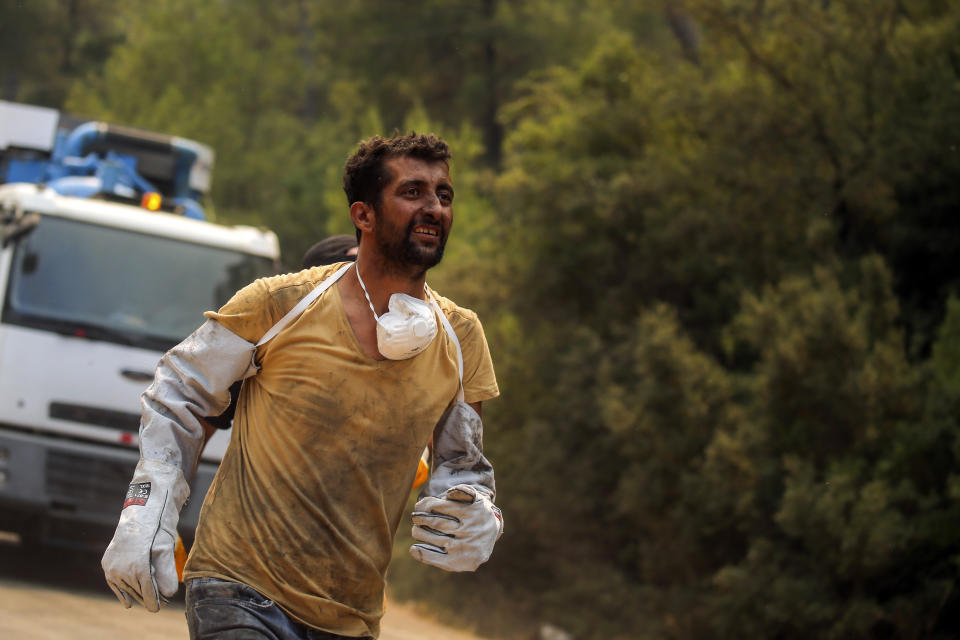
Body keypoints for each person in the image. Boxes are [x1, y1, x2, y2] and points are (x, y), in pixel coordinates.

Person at [101, 133, 503, 640]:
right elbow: (181, 390)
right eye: (413, 192)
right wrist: (149, 503)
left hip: (348, 614)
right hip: (238, 585)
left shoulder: (461, 337)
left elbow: (463, 464)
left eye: (443, 195)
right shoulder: (279, 303)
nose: (434, 208)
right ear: (364, 215)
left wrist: (476, 509)